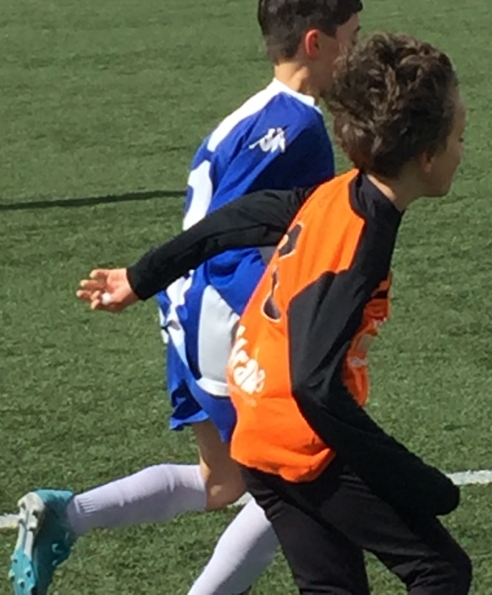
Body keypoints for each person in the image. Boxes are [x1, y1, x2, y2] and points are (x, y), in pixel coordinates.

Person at [10, 0, 363, 595]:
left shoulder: (247, 116)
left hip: (183, 312)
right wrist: (289, 320)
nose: (355, 54)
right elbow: (232, 232)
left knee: (221, 481)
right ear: (317, 42)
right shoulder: (298, 126)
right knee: (294, 479)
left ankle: (68, 514)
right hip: (225, 316)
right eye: (352, 39)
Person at [80, 32, 471, 595]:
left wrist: (141, 278)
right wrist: (417, 481)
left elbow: (234, 219)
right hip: (298, 440)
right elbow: (314, 385)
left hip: (256, 430)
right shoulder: (360, 247)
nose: (464, 149)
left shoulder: (334, 194)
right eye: (460, 137)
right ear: (427, 157)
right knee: (440, 571)